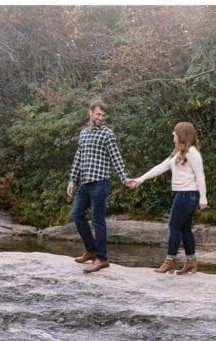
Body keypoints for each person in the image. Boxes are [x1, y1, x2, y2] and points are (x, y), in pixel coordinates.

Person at [126, 122, 208, 275]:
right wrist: (140, 179)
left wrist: (203, 198)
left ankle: (170, 260)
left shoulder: (192, 153)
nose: (172, 134)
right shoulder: (178, 152)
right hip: (183, 193)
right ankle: (191, 262)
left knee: (174, 227)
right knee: (185, 229)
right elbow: (161, 167)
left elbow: (200, 176)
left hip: (188, 194)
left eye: (175, 132)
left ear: (182, 134)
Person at [68, 99, 130, 273]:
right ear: (90, 113)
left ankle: (102, 259)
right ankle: (91, 250)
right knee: (77, 214)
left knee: (97, 221)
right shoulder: (83, 133)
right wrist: (72, 180)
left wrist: (124, 178)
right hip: (85, 183)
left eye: (103, 115)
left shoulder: (107, 134)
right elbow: (78, 158)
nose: (101, 117)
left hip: (101, 182)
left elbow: (116, 157)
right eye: (98, 114)